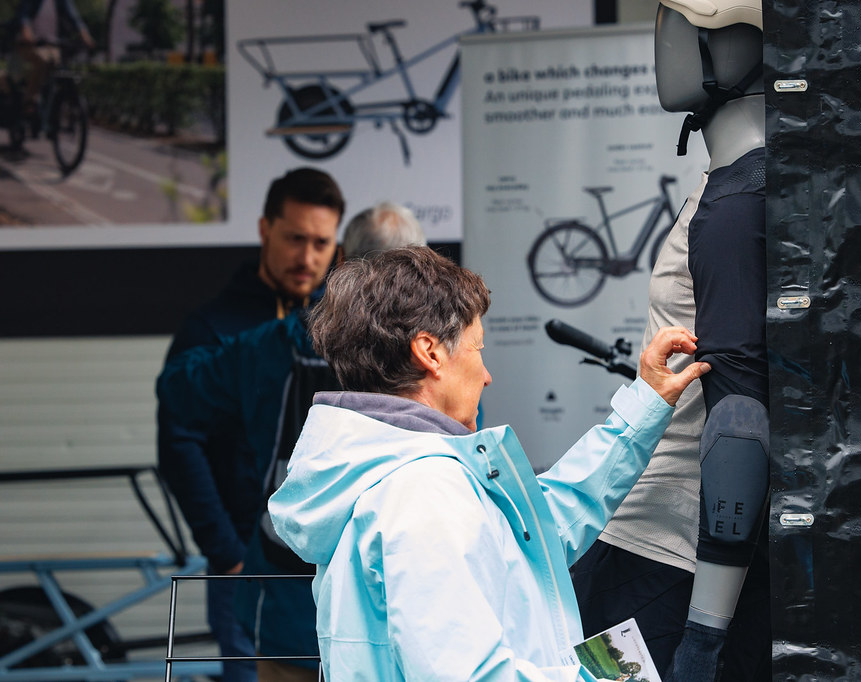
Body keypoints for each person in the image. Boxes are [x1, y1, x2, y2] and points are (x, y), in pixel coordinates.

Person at [265, 246, 711, 681]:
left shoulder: (386, 474)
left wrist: (644, 406)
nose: (487, 375)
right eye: (477, 349)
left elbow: (535, 530)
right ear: (430, 352)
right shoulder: (422, 493)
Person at [571, 2, 771, 680]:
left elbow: (739, 420)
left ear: (736, 47)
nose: (663, 47)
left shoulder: (738, 203)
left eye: (677, 28)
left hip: (664, 559)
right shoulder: (732, 186)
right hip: (652, 545)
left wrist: (703, 637)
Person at [157, 203, 426, 682]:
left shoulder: (276, 344)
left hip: (286, 594)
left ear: (341, 260)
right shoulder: (440, 358)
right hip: (399, 598)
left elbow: (178, 392)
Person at [157, 167, 344, 682]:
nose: (307, 257)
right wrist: (228, 554)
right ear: (265, 229)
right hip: (247, 560)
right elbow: (178, 443)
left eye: (321, 243)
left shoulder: (345, 329)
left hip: (327, 566)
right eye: (295, 238)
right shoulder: (214, 328)